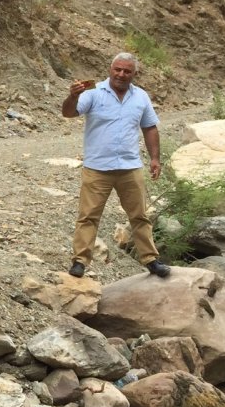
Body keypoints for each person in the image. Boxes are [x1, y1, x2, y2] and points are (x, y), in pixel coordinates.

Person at [62, 52, 171, 278]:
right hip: (97, 167)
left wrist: (155, 158)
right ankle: (80, 261)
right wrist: (72, 96)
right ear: (110, 69)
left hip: (130, 167)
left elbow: (149, 127)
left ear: (134, 73)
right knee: (88, 216)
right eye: (117, 69)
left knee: (139, 216)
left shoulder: (140, 96)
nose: (121, 74)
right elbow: (68, 113)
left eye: (127, 71)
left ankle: (151, 260)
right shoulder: (93, 92)